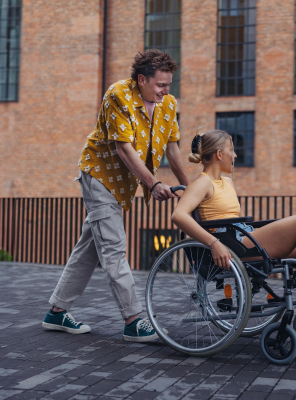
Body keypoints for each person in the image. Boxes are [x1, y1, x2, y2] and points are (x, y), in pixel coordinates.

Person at [43, 50, 189, 342]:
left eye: (169, 85)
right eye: (160, 85)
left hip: (124, 182)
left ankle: (56, 312)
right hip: (100, 175)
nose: (165, 91)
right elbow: (124, 149)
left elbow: (172, 148)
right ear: (142, 79)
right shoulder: (118, 95)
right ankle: (133, 320)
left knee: (89, 248)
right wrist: (152, 183)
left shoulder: (168, 104)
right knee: (113, 246)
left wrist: (191, 187)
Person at [171, 130, 296, 329]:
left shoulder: (227, 182)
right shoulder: (202, 182)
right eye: (231, 150)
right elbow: (179, 215)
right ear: (219, 155)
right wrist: (214, 243)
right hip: (234, 244)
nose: (235, 156)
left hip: (245, 236)